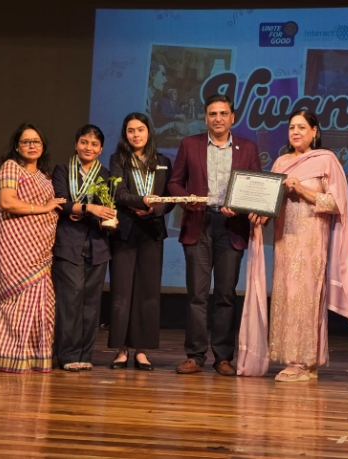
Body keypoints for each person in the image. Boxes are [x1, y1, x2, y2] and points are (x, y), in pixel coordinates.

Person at [239, 109, 348, 382]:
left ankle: (304, 363)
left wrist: (301, 189)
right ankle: (296, 360)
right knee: (286, 296)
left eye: (302, 127)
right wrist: (260, 213)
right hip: (285, 241)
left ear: (314, 131)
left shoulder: (326, 160)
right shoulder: (280, 162)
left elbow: (336, 203)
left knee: (306, 296)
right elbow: (271, 201)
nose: (296, 132)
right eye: (292, 127)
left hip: (311, 242)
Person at [168, 94, 262, 376]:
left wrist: (240, 207)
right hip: (199, 222)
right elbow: (174, 183)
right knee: (197, 296)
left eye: (223, 113)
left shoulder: (247, 148)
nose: (218, 118)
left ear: (233, 117)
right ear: (205, 118)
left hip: (232, 227)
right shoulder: (190, 144)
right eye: (212, 114)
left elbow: (257, 188)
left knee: (226, 295)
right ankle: (195, 356)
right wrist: (188, 199)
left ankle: (223, 357)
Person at [0, 122, 66, 373]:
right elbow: (7, 202)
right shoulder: (11, 168)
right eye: (26, 142)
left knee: (42, 305)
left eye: (36, 141)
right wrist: (44, 208)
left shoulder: (44, 176)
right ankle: (8, 357)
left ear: (43, 146)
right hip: (16, 251)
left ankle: (34, 358)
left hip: (41, 252)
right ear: (17, 147)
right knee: (18, 303)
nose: (32, 146)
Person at [108, 113, 174, 370]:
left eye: (140, 129)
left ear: (149, 132)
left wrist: (154, 209)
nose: (136, 134)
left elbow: (168, 197)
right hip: (125, 230)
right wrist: (142, 201)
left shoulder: (163, 162)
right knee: (122, 291)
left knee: (148, 291)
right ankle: (121, 349)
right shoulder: (118, 160)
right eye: (131, 130)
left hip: (152, 230)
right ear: (125, 135)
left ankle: (142, 351)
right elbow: (118, 192)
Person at [51, 124, 116, 372]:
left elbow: (107, 207)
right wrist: (88, 209)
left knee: (91, 302)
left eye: (94, 144)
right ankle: (67, 355)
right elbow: (61, 202)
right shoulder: (62, 170)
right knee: (70, 300)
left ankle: (85, 354)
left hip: (98, 244)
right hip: (69, 242)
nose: (88, 147)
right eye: (84, 142)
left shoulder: (106, 174)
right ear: (76, 144)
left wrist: (107, 218)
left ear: (100, 149)